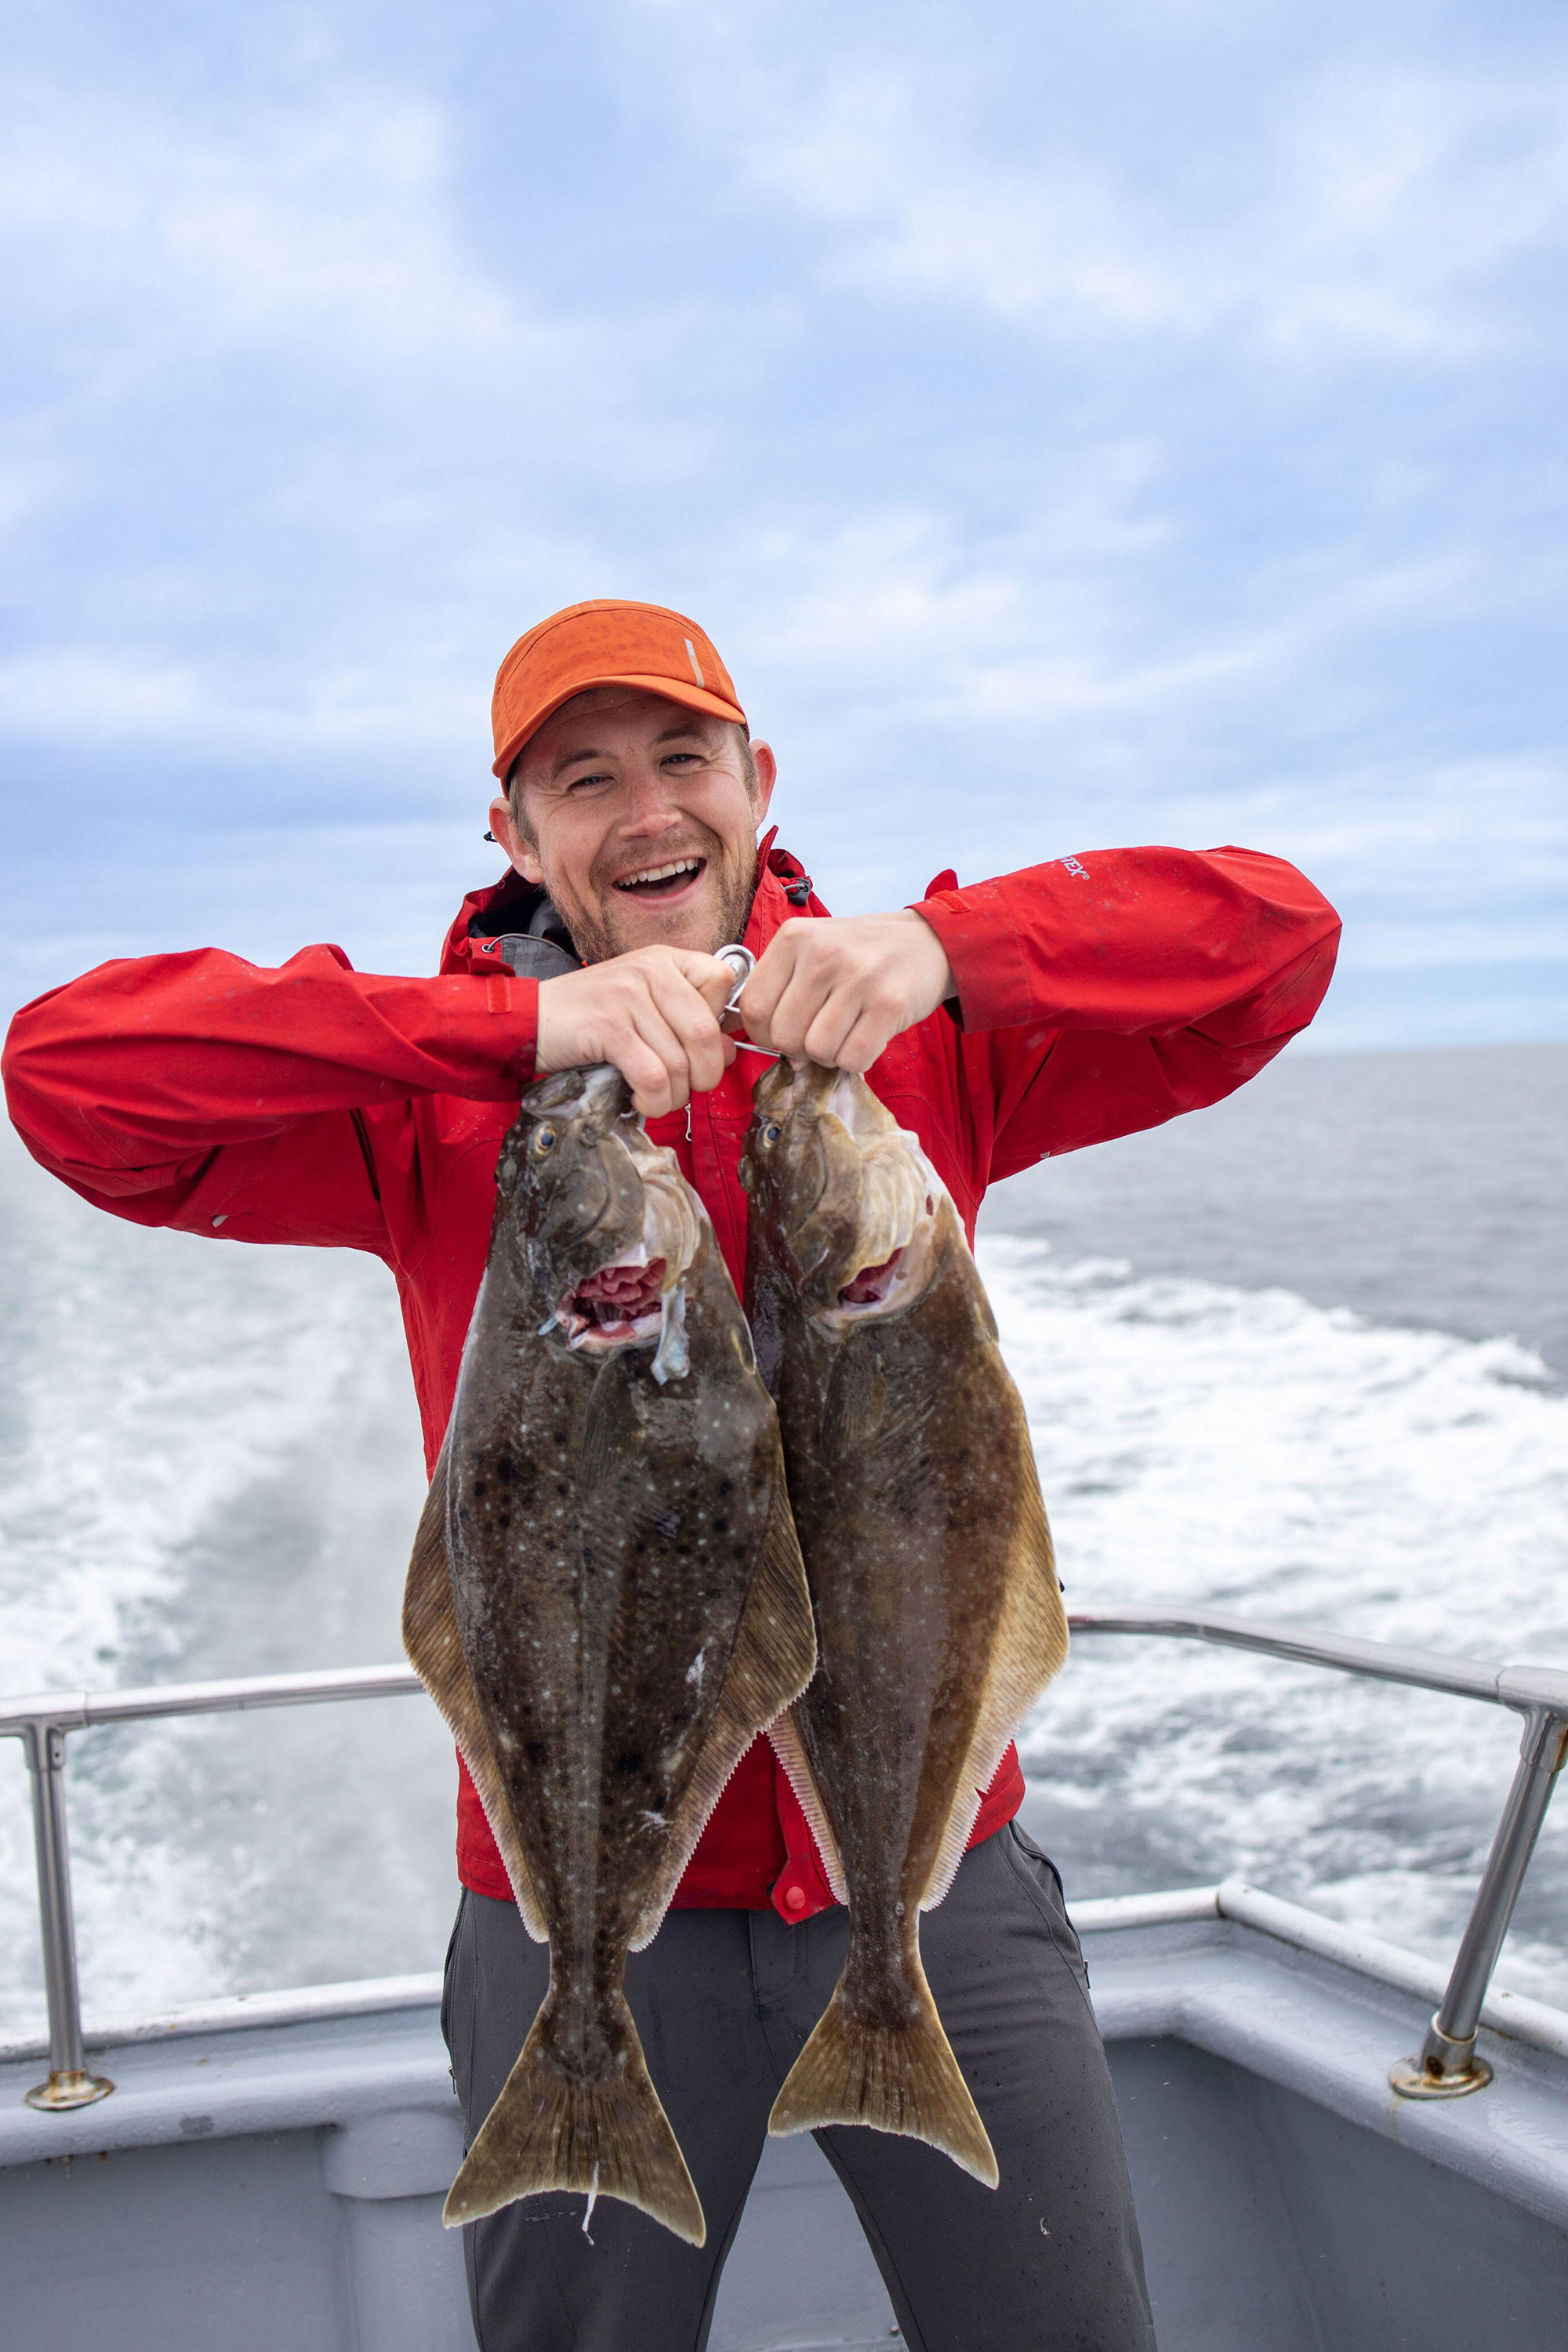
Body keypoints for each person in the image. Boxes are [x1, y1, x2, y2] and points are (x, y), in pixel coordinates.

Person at [3, 597, 1340, 2352]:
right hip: (580, 1905)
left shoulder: (919, 1041)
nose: (646, 812)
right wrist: (512, 1037)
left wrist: (951, 945)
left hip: (936, 1880)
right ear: (514, 836)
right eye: (582, 779)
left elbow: (1274, 944)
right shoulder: (434, 1102)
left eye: (683, 759)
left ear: (758, 782)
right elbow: (65, 1073)